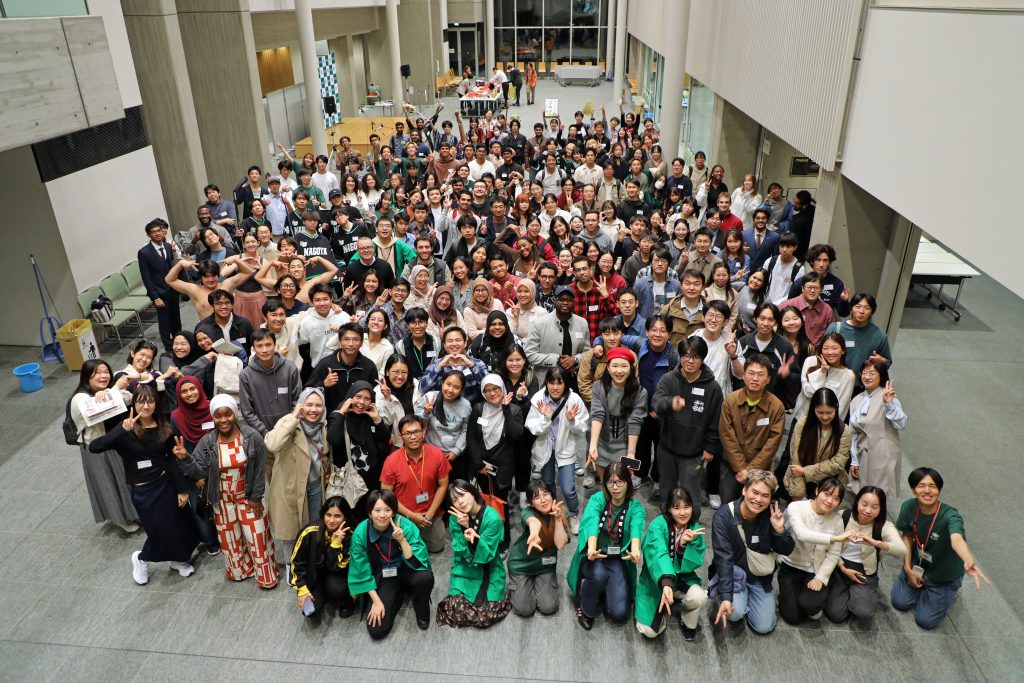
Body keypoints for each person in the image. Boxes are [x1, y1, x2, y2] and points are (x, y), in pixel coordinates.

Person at [88, 384, 200, 585]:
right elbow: (95, 447)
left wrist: (182, 489)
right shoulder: (125, 428)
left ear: (156, 404)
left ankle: (178, 559)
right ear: (134, 403)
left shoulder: (164, 427)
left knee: (178, 525)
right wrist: (122, 430)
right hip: (143, 490)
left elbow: (171, 460)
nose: (145, 406)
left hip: (166, 484)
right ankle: (142, 558)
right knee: (157, 530)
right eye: (141, 401)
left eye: (150, 401)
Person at [177, 394, 278, 589]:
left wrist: (256, 498)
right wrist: (185, 459)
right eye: (218, 416)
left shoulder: (251, 436)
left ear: (235, 413)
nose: (223, 420)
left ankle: (266, 576)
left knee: (258, 538)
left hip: (249, 498)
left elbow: (259, 471)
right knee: (231, 542)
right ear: (212, 418)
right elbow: (199, 471)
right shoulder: (207, 442)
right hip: (221, 501)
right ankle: (241, 571)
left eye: (227, 414)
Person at [892, 467, 989, 629]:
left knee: (925, 621)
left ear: (940, 490)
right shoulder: (909, 507)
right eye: (921, 486)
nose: (927, 491)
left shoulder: (950, 516)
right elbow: (907, 536)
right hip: (918, 566)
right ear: (913, 489)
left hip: (943, 576)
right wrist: (908, 569)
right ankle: (919, 585)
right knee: (899, 602)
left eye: (933, 486)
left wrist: (968, 559)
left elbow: (957, 539)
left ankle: (948, 590)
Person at [709, 470, 794, 634]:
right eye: (754, 492)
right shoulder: (723, 517)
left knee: (764, 627)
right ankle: (727, 594)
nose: (758, 499)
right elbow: (723, 559)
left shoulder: (771, 514)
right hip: (734, 574)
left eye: (765, 495)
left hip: (759, 577)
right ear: (744, 490)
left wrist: (779, 530)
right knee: (735, 613)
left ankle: (747, 598)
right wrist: (727, 597)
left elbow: (787, 550)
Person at [568, 463, 647, 629]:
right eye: (610, 483)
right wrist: (591, 547)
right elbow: (591, 521)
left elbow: (636, 528)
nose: (615, 487)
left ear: (628, 483)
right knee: (598, 575)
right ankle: (586, 609)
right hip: (595, 556)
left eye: (620, 482)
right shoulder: (598, 499)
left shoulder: (635, 507)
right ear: (605, 484)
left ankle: (603, 589)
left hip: (616, 560)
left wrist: (635, 549)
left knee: (619, 614)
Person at [652, 338, 723, 519]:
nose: (690, 361)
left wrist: (710, 446)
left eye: (696, 357)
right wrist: (669, 403)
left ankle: (691, 527)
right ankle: (667, 524)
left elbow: (716, 419)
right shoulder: (669, 379)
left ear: (702, 359)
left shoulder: (713, 387)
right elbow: (656, 403)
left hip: (694, 453)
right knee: (666, 491)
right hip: (667, 449)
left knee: (691, 494)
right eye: (686, 356)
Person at [348, 489, 434, 638]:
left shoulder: (405, 525)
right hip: (383, 575)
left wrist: (402, 540)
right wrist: (376, 602)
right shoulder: (361, 532)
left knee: (425, 577)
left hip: (406, 569)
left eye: (387, 510)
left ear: (393, 511)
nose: (382, 515)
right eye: (377, 510)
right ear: (369, 513)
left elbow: (418, 560)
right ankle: (398, 593)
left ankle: (422, 610)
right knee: (377, 630)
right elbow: (360, 570)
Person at [68, 359, 138, 533]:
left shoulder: (101, 391)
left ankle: (131, 512)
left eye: (106, 371)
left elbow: (128, 399)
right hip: (94, 447)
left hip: (110, 441)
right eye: (97, 372)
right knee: (107, 485)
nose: (103, 375)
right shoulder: (80, 397)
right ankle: (120, 519)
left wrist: (109, 391)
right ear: (86, 376)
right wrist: (114, 389)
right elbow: (96, 413)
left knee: (121, 480)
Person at [436, 479, 513, 628]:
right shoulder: (454, 517)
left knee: (485, 616)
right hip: (465, 565)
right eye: (455, 500)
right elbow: (459, 548)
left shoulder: (492, 518)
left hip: (489, 566)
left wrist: (471, 532)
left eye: (463, 495)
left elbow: (487, 555)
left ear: (472, 491)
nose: (461, 502)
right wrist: (464, 529)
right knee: (454, 608)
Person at [264, 388, 330, 560]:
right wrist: (293, 417)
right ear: (300, 405)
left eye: (318, 405)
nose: (313, 410)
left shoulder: (323, 426)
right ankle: (291, 569)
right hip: (290, 489)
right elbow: (272, 444)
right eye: (308, 405)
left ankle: (313, 564)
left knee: (315, 528)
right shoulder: (289, 424)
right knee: (290, 533)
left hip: (315, 486)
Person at [824, 486, 906, 624]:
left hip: (865, 572)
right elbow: (830, 546)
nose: (868, 511)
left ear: (881, 508)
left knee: (864, 613)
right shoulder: (843, 516)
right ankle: (848, 594)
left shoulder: (884, 526)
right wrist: (842, 567)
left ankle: (857, 595)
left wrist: (876, 543)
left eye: (875, 507)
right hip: (840, 566)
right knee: (836, 615)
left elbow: (902, 550)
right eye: (864, 504)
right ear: (857, 502)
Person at [634, 488, 708, 641]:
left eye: (686, 507)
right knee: (649, 631)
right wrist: (667, 583)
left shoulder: (694, 529)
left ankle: (687, 619)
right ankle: (660, 604)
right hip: (656, 580)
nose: (683, 513)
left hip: (682, 578)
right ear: (668, 508)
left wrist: (682, 545)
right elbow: (658, 554)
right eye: (676, 508)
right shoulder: (658, 525)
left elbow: (695, 561)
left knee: (699, 597)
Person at [777, 476, 849, 624]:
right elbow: (802, 535)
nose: (830, 501)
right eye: (827, 494)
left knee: (811, 605)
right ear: (817, 490)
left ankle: (814, 599)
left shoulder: (837, 520)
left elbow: (834, 554)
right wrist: (834, 538)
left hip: (816, 570)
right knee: (792, 617)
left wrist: (821, 578)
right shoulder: (796, 507)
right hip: (791, 565)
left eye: (836, 498)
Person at [718, 354, 786, 503]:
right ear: (743, 375)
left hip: (761, 469)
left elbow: (772, 444)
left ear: (768, 379)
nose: (755, 378)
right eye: (751, 373)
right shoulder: (730, 400)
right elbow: (726, 435)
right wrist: (740, 467)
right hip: (731, 465)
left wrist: (749, 471)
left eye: (760, 375)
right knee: (728, 506)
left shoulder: (776, 407)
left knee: (755, 506)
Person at [379, 414, 451, 553]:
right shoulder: (391, 461)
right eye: (408, 433)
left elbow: (443, 485)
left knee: (437, 548)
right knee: (404, 552)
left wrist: (429, 514)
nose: (413, 437)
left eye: (417, 431)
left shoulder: (436, 454)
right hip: (404, 515)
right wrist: (411, 515)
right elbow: (387, 495)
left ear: (423, 432)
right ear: (400, 437)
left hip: (431, 514)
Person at [849, 359, 907, 507]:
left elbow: (902, 423)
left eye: (873, 373)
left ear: (882, 376)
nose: (867, 376)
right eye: (864, 373)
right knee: (861, 495)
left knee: (878, 498)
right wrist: (854, 459)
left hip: (883, 455)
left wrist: (889, 404)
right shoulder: (856, 399)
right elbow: (853, 433)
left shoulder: (887, 396)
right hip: (863, 455)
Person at [507, 479, 569, 617]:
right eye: (537, 497)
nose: (543, 500)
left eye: (545, 494)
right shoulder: (528, 512)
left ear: (552, 495)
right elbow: (533, 522)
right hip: (522, 564)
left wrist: (558, 519)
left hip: (545, 565)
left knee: (549, 607)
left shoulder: (562, 512)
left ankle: (535, 583)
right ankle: (518, 583)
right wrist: (534, 533)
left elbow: (560, 544)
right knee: (524, 609)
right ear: (531, 503)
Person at [290, 496, 357, 621]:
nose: (331, 520)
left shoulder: (351, 535)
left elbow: (337, 566)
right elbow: (296, 562)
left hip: (337, 574)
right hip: (314, 574)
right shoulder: (309, 532)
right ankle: (321, 594)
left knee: (337, 590)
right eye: (328, 515)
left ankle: (346, 601)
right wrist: (302, 589)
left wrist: (336, 543)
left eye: (337, 516)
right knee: (310, 611)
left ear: (345, 517)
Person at [587, 347, 647, 485]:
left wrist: (631, 452)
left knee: (620, 485)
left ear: (631, 368)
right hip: (602, 440)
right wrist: (593, 445)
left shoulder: (640, 392)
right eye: (614, 366)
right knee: (606, 485)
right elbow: (597, 414)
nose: (619, 371)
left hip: (624, 443)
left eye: (624, 366)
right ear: (608, 368)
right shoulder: (598, 387)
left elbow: (635, 422)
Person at [784, 388, 851, 502]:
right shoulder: (802, 424)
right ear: (813, 409)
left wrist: (805, 471)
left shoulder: (844, 431)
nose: (825, 417)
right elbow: (795, 459)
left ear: (836, 408)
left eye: (829, 413)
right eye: (820, 412)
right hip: (799, 480)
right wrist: (799, 493)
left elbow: (838, 464)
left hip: (827, 485)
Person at [823, 292, 893, 392]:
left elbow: (888, 362)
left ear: (872, 312)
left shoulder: (879, 336)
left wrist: (882, 361)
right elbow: (821, 352)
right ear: (851, 309)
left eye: (867, 308)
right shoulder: (836, 328)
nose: (861, 311)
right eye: (858, 306)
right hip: (834, 382)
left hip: (862, 387)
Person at [306, 323, 380, 411]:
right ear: (340, 342)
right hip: (330, 417)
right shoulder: (326, 364)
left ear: (361, 342)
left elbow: (373, 396)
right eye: (346, 339)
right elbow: (307, 391)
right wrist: (323, 384)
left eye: (355, 339)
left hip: (358, 418)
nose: (351, 344)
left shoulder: (369, 366)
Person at [416, 368, 472, 480]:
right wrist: (426, 413)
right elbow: (416, 425)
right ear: (442, 384)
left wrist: (456, 451)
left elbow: (465, 431)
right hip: (430, 454)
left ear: (461, 391)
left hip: (454, 455)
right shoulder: (430, 397)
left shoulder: (466, 405)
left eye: (456, 387)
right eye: (448, 384)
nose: (450, 390)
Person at [525, 286, 591, 379]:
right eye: (561, 299)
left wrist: (575, 360)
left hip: (574, 378)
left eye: (569, 300)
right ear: (554, 301)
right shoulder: (539, 324)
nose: (565, 303)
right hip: (546, 380)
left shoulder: (582, 323)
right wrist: (556, 360)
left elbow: (588, 352)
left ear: (573, 302)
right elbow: (530, 354)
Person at [138, 218, 181, 351]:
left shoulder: (168, 246)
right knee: (164, 323)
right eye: (153, 232)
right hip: (159, 293)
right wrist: (155, 297)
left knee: (176, 319)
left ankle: (178, 342)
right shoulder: (144, 252)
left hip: (172, 290)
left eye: (159, 230)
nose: (158, 233)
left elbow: (170, 268)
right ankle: (169, 348)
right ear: (149, 235)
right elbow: (146, 277)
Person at [779, 272, 835, 348]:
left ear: (822, 289)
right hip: (790, 350)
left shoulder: (827, 310)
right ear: (802, 288)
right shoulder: (786, 305)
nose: (812, 291)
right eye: (809, 287)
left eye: (816, 288)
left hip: (816, 353)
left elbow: (830, 335)